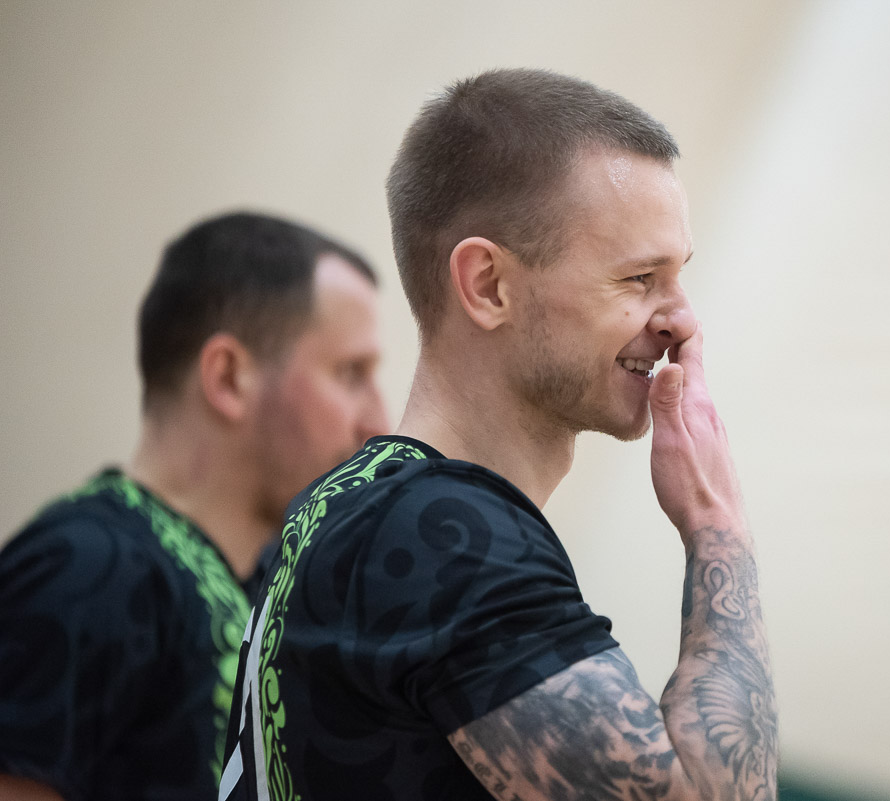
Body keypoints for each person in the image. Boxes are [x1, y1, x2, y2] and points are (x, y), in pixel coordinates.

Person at [220, 69, 777, 801]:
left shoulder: (351, 498)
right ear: (487, 285)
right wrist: (716, 524)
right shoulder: (448, 538)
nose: (683, 319)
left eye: (679, 276)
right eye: (640, 278)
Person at [0, 211, 390, 801]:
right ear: (228, 378)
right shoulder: (84, 570)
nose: (378, 421)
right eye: (351, 373)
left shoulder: (278, 584)